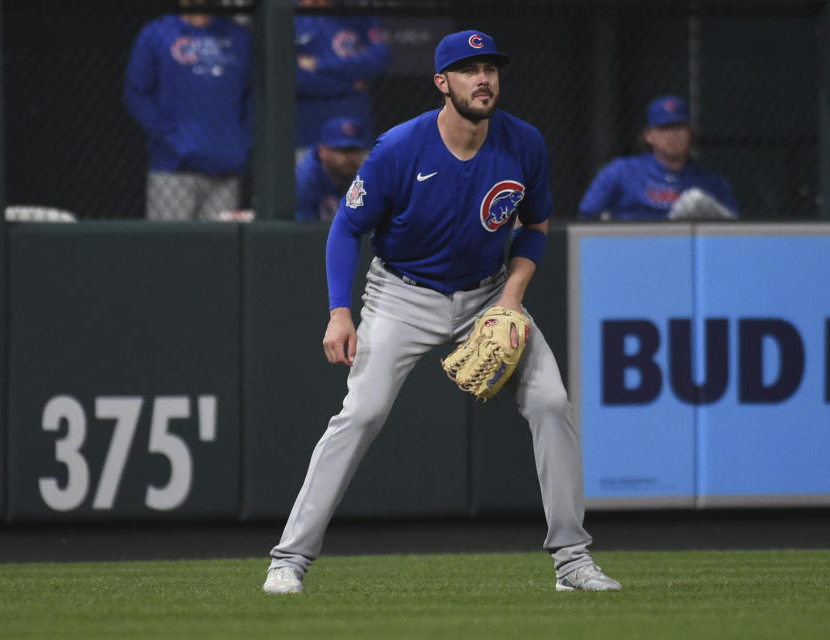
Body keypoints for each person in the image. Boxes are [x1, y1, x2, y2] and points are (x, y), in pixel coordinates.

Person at [263, 30, 622, 595]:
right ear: (441, 83)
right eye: (468, 69)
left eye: (491, 69)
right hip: (402, 294)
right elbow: (346, 227)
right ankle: (289, 559)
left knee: (552, 402)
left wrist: (511, 297)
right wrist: (339, 311)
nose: (483, 79)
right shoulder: (399, 148)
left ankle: (573, 561)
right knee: (361, 415)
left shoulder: (523, 143)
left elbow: (535, 226)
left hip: (488, 294)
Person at [124, 0, 253, 221]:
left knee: (219, 251)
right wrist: (171, 137)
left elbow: (253, 96)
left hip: (225, 167)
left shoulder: (238, 37)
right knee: (169, 249)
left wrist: (242, 140)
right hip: (174, 169)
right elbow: (137, 93)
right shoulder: (158, 33)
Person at [577, 95, 738, 221]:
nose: (672, 135)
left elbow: (734, 233)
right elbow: (586, 217)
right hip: (634, 251)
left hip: (685, 256)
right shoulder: (621, 172)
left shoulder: (712, 182)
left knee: (695, 201)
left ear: (690, 133)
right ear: (649, 135)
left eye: (678, 128)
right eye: (664, 128)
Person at [294, 0, 388, 160]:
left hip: (355, 135)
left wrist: (320, 65)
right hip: (307, 136)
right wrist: (350, 84)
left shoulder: (358, 14)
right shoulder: (289, 15)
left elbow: (377, 60)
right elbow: (296, 79)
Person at [295, 117, 369, 221]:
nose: (350, 158)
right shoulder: (304, 181)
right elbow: (301, 233)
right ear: (322, 151)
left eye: (355, 150)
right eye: (342, 150)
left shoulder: (363, 177)